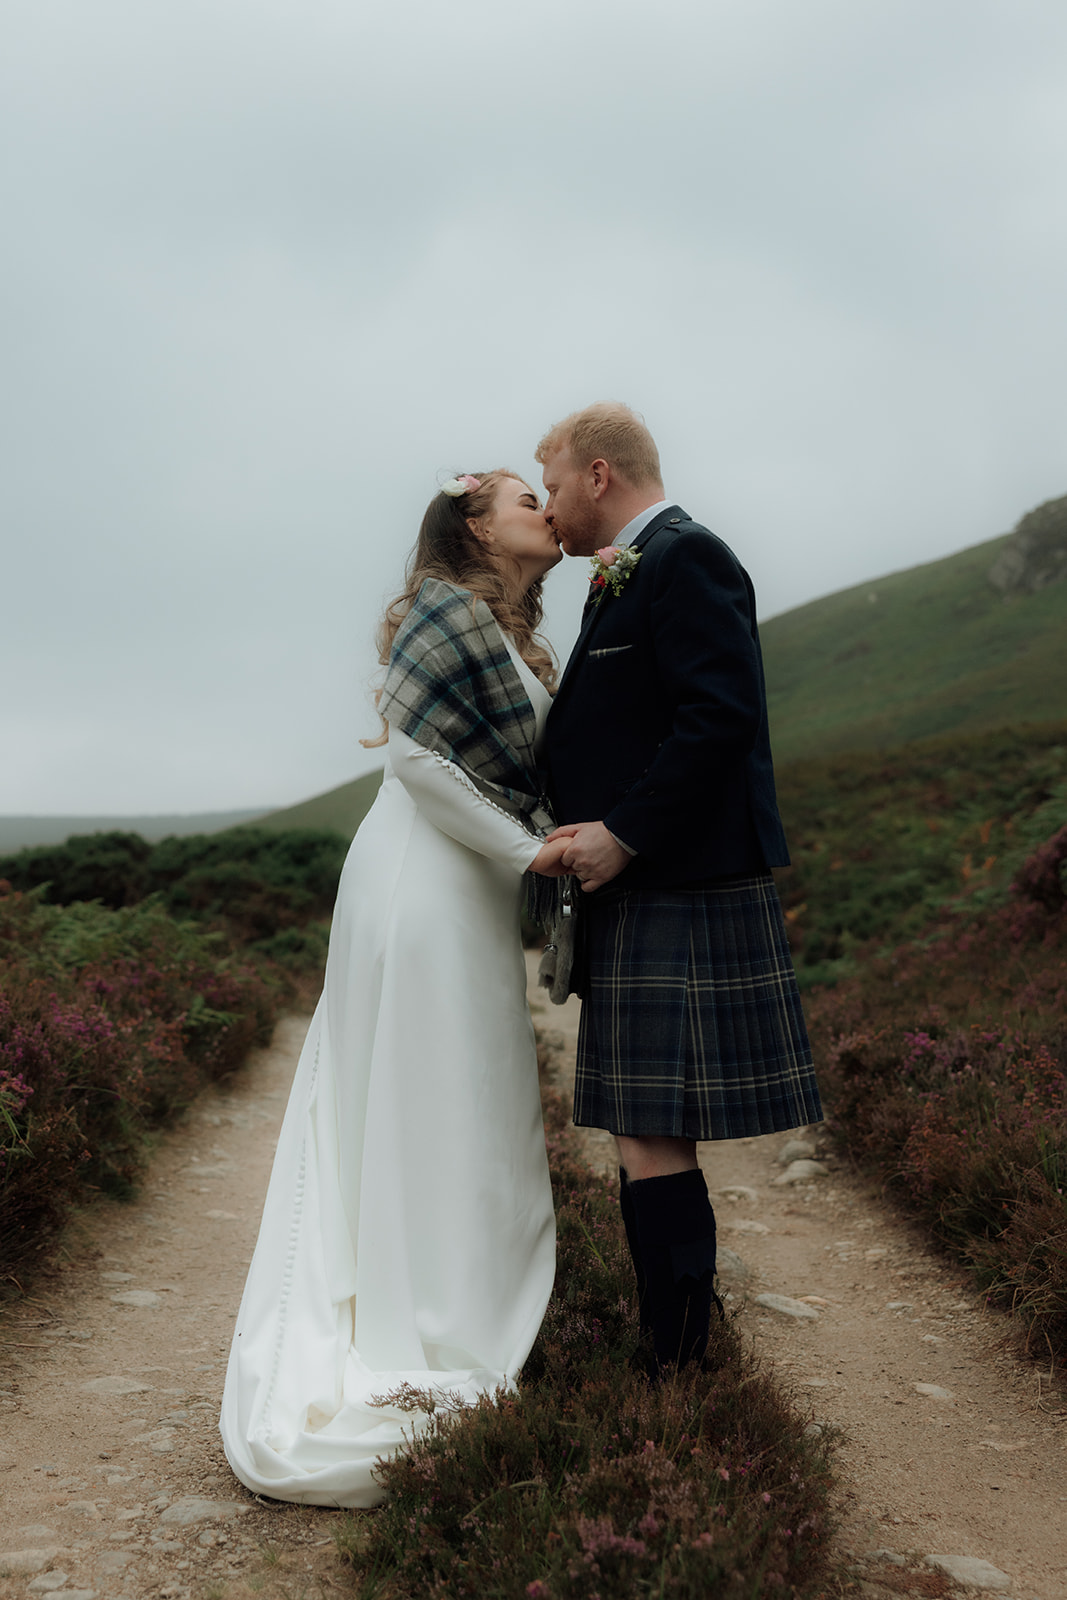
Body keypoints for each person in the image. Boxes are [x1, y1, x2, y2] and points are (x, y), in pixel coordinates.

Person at [220, 470, 569, 1507]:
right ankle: (419, 1326)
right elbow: (420, 763)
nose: (545, 509)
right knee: (430, 1089)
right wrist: (528, 852)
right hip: (421, 877)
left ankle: (451, 1303)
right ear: (472, 523)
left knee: (466, 1091)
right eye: (522, 497)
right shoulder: (441, 611)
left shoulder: (509, 632)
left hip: (462, 882)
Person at [536, 403, 822, 1374]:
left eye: (555, 482)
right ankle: (674, 1348)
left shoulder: (684, 557)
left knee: (652, 1136)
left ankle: (678, 1361)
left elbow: (718, 716)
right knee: (642, 1134)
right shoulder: (628, 572)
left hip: (677, 879)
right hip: (649, 883)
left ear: (600, 475)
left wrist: (621, 835)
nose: (549, 505)